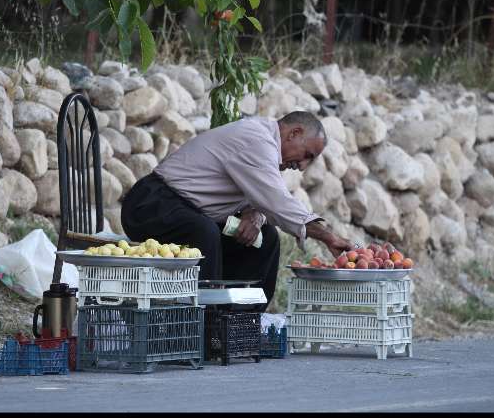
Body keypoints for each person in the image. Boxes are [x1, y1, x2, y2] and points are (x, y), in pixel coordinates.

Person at [120, 111, 354, 308]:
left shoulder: (266, 146)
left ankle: (239, 325)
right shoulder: (257, 140)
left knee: (266, 238)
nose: (302, 167)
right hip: (151, 205)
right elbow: (276, 201)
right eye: (306, 156)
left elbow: (261, 199)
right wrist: (328, 236)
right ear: (294, 133)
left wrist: (255, 215)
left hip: (190, 213)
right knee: (203, 232)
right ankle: (204, 324)